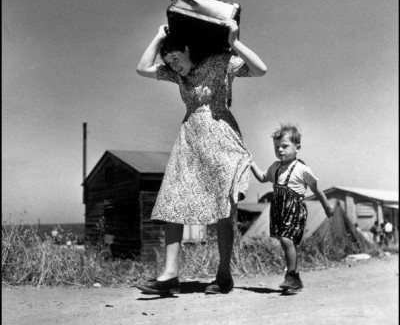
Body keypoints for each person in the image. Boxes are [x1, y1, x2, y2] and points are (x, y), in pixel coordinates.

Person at [135, 19, 267, 295]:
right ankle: (170, 275)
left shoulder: (221, 62)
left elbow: (260, 70)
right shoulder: (177, 76)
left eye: (175, 57)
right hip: (190, 142)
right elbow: (143, 68)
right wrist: (159, 36)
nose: (172, 65)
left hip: (221, 141)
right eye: (168, 61)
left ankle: (223, 275)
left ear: (187, 49)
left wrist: (234, 43)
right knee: (173, 201)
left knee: (223, 210)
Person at [250, 123, 334, 291]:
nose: (280, 150)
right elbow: (261, 177)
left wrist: (326, 207)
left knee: (286, 239)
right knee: (287, 242)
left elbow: (316, 189)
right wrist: (250, 162)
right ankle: (294, 278)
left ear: (297, 148)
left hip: (294, 209)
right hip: (279, 209)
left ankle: (291, 275)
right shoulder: (275, 167)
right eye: (276, 147)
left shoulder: (302, 169)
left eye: (285, 146)